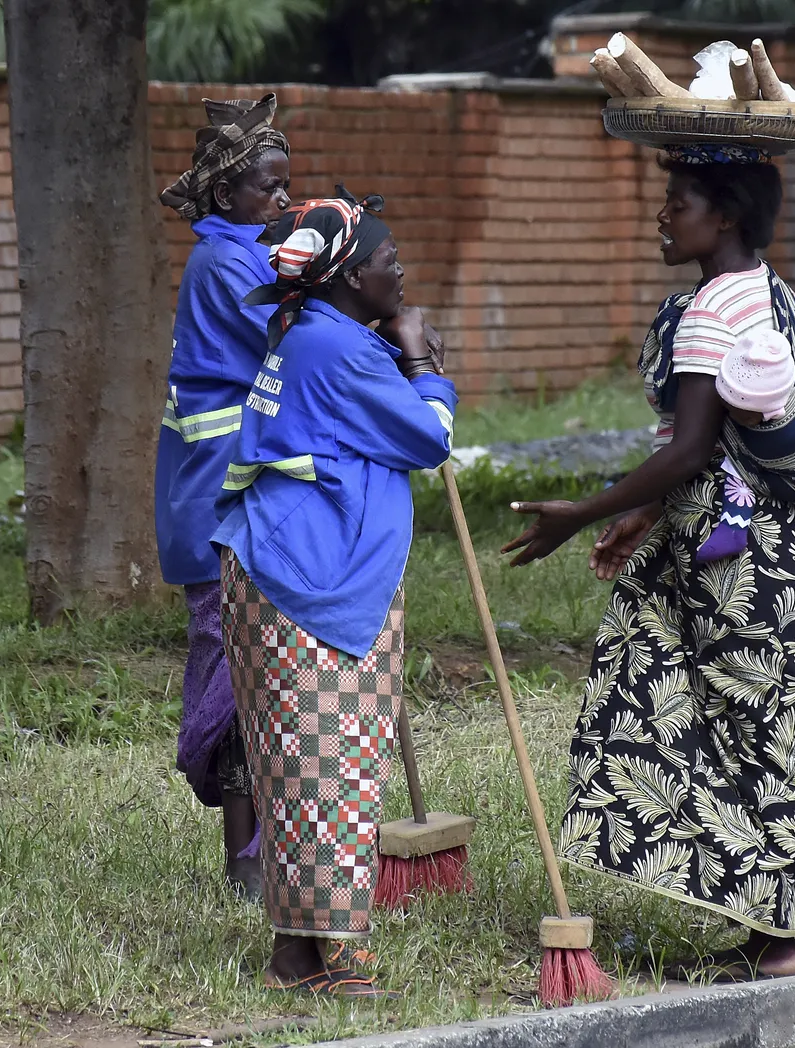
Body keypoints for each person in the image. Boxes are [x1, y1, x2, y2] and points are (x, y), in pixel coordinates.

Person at [504, 145, 795, 978]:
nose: (662, 216)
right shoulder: (770, 292)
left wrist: (579, 513)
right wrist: (639, 515)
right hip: (786, 542)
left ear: (725, 215)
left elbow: (693, 447)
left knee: (729, 722)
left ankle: (776, 942)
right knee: (786, 722)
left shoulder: (708, 311)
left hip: (732, 554)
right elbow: (718, 446)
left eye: (678, 202)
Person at [213, 190, 457, 995]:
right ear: (350, 277)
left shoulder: (304, 328)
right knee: (332, 769)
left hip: (275, 570)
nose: (402, 273)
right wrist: (421, 362)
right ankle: (343, 959)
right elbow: (428, 439)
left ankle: (295, 955)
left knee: (296, 767)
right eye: (389, 263)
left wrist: (396, 355)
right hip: (313, 586)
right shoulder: (342, 351)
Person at [157, 94, 292, 900]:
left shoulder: (246, 249)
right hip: (216, 502)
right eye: (266, 188)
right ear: (222, 196)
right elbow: (287, 337)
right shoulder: (227, 262)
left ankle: (261, 850)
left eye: (286, 185)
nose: (280, 199)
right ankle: (246, 860)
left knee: (253, 667)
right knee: (238, 668)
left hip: (231, 492)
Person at [698, 328, 795, 565]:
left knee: (737, 468)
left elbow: (740, 443)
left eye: (734, 411)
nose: (727, 412)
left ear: (767, 413)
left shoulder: (777, 433)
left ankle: (734, 525)